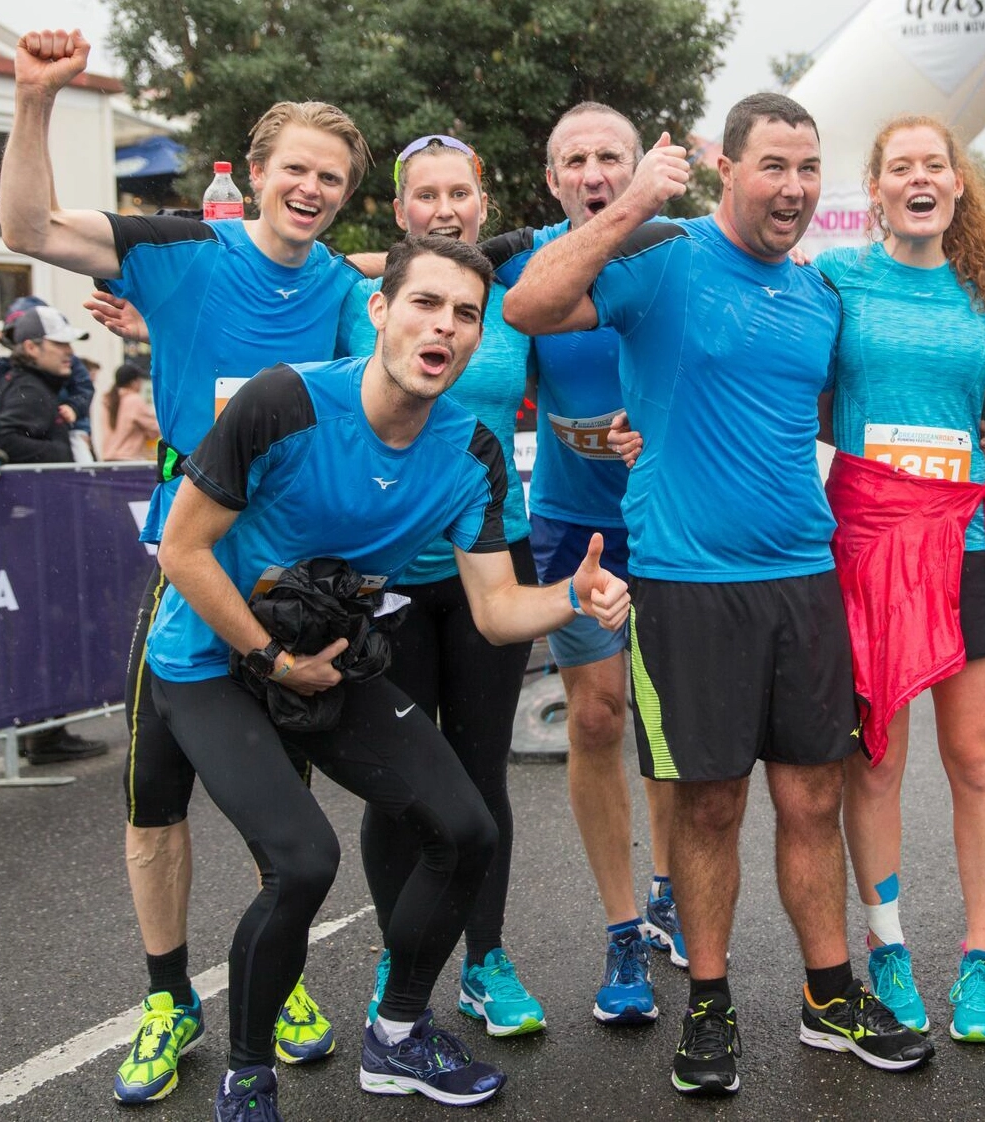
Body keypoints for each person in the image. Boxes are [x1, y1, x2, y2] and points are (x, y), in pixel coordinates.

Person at [504, 91, 933, 1096]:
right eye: (772, 166)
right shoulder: (661, 257)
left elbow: (826, 412)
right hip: (687, 584)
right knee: (705, 808)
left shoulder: (818, 295)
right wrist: (627, 204)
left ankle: (830, 997)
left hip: (803, 578)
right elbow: (527, 305)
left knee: (810, 797)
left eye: (806, 168)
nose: (791, 187)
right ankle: (708, 1001)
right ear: (727, 170)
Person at [147, 235, 628, 1119]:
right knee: (303, 862)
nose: (444, 326)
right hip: (212, 661)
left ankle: (399, 1035)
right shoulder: (284, 401)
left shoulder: (472, 451)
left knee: (467, 830)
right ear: (379, 310)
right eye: (425, 303)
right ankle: (247, 1076)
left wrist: (572, 596)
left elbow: (494, 612)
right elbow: (182, 548)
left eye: (466, 314)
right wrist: (271, 659)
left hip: (323, 658)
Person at [1, 28, 371, 1104]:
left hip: (291, 583)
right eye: (296, 168)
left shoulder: (346, 292)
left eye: (332, 180)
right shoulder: (177, 253)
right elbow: (25, 225)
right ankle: (168, 996)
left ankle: (280, 974)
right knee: (153, 796)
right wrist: (33, 101)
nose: (311, 189)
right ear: (255, 173)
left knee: (282, 803)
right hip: (186, 567)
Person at [814, 114, 985, 1044]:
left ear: (955, 183)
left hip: (967, 539)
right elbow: (798, 392)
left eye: (933, 164)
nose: (917, 177)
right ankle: (888, 946)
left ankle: (980, 957)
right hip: (867, 539)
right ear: (878, 188)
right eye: (899, 166)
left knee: (974, 755)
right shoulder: (837, 280)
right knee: (879, 755)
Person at [337, 134, 546, 1036]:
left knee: (481, 768)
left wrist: (612, 430)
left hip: (495, 560)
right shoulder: (357, 299)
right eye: (426, 194)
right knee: (401, 779)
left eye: (460, 191)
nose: (445, 206)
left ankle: (485, 957)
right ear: (399, 212)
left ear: (484, 203)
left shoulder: (516, 295)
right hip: (385, 570)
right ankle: (403, 946)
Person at [481, 102, 680, 1025]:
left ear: (640, 166)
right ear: (552, 181)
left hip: (673, 522)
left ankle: (672, 889)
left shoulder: (683, 245)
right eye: (576, 160)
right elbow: (387, 278)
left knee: (670, 726)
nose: (594, 171)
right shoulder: (525, 265)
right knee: (596, 719)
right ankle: (621, 930)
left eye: (612, 157)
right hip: (571, 525)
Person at [0, 295, 96, 460]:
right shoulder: (27, 388)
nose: (70, 351)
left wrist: (74, 407)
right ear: (31, 347)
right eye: (59, 343)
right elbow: (6, 440)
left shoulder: (40, 380)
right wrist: (62, 452)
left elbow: (84, 387)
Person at [99, 362, 160, 462]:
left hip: (107, 459)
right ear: (133, 382)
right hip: (127, 459)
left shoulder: (108, 401)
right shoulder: (134, 400)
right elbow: (155, 427)